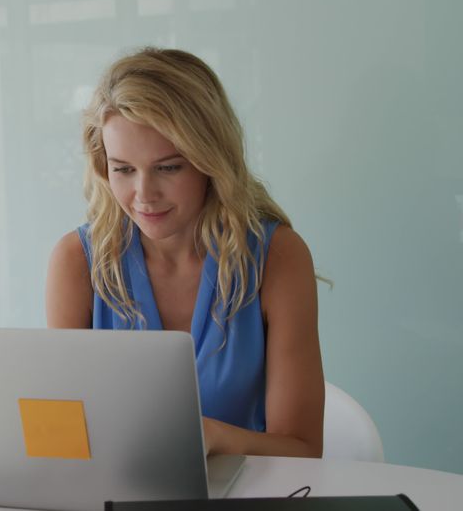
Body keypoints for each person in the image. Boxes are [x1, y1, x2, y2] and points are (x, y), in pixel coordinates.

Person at [45, 47, 324, 458]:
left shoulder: (277, 257)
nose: (144, 195)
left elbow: (301, 449)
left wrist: (209, 437)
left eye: (169, 167)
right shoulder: (77, 262)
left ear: (210, 160)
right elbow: (62, 437)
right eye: (123, 169)